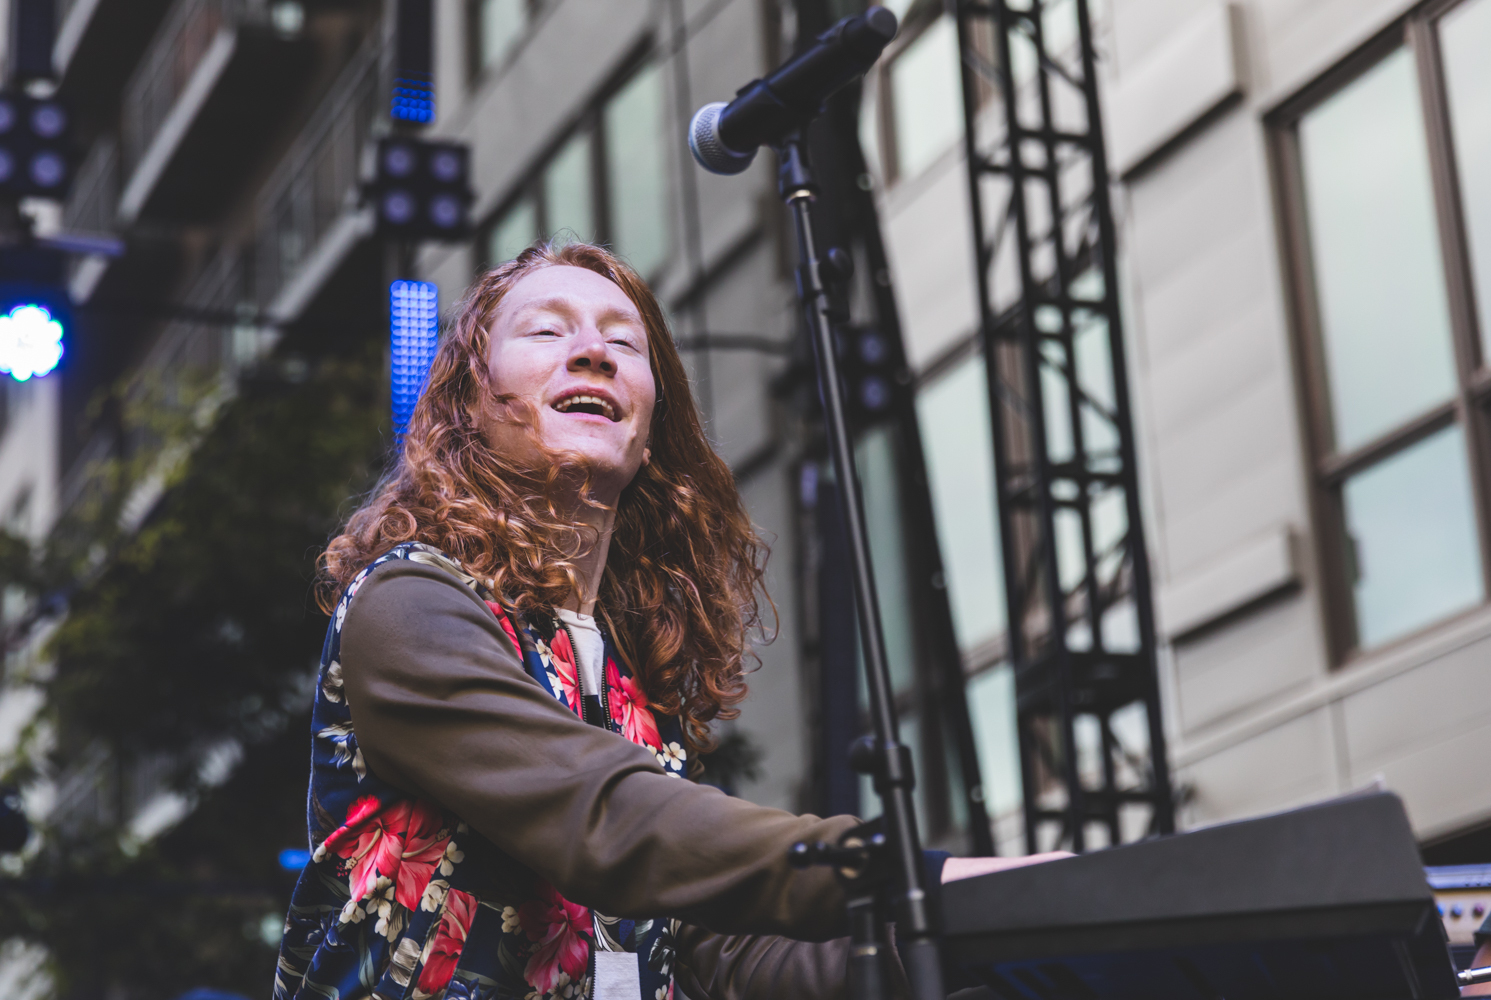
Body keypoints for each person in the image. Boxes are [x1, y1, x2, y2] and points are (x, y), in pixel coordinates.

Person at [272, 242, 1058, 1000]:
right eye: (547, 330)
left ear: (647, 438)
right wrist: (903, 876)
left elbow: (713, 955)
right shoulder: (410, 604)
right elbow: (607, 821)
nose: (594, 352)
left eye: (624, 341)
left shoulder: (624, 690)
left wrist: (961, 936)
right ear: (468, 407)